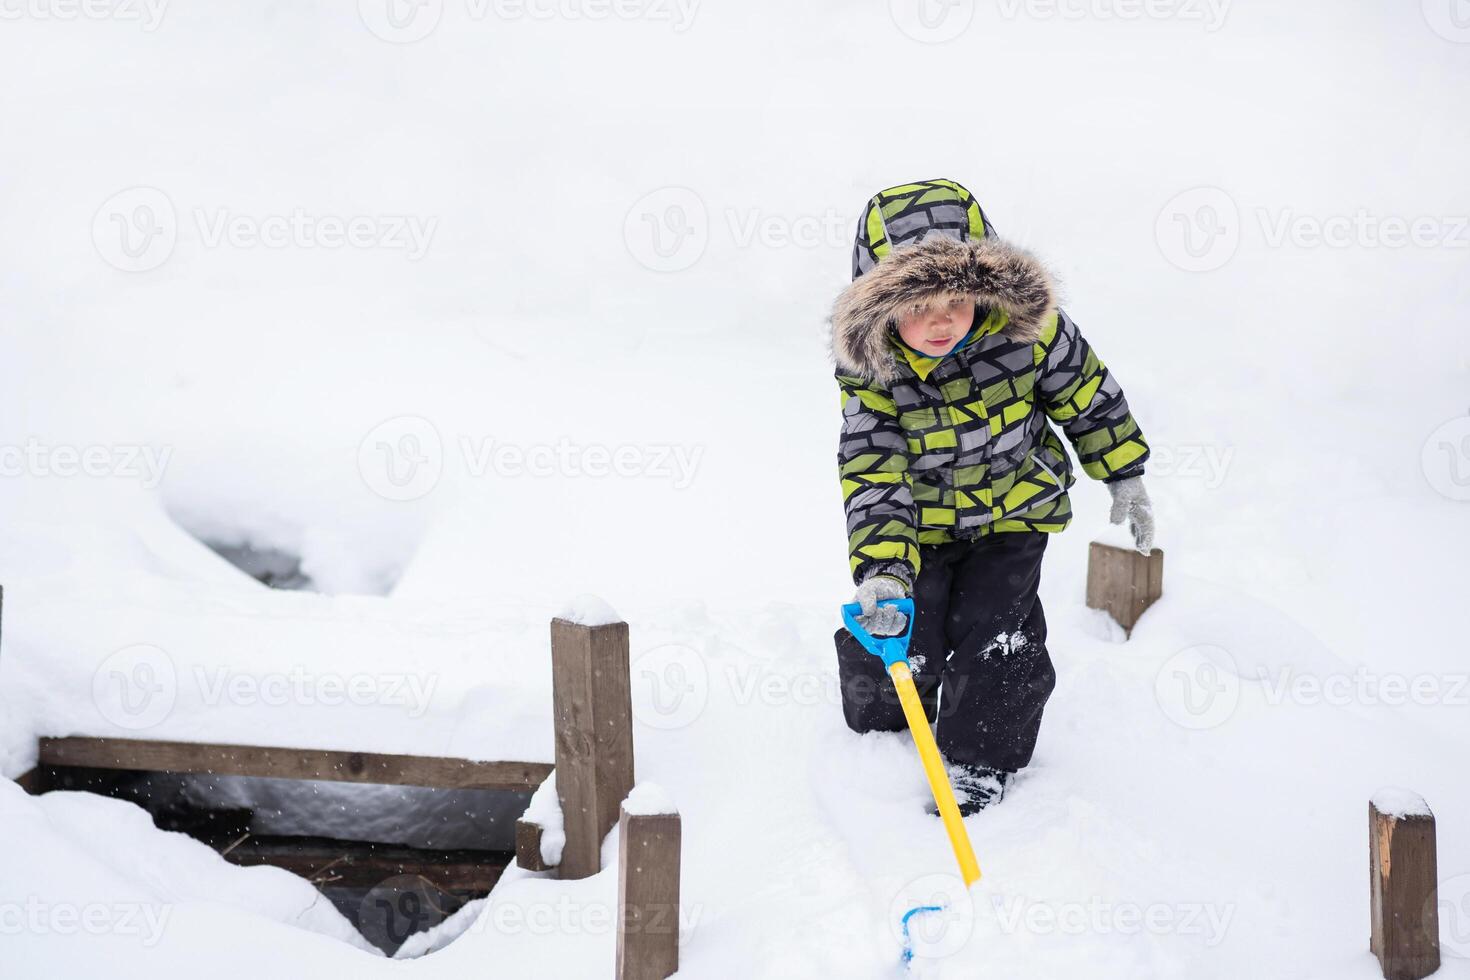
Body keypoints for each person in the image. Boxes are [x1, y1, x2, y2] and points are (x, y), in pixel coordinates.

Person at [830, 178, 1155, 814]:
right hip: (919, 524)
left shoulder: (1032, 333)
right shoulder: (875, 372)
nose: (941, 319)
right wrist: (884, 569)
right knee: (903, 630)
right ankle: (886, 721)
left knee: (999, 636)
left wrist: (1124, 470)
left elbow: (1086, 395)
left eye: (957, 299)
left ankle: (982, 755)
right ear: (880, 306)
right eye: (917, 305)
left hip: (1014, 510)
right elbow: (873, 468)